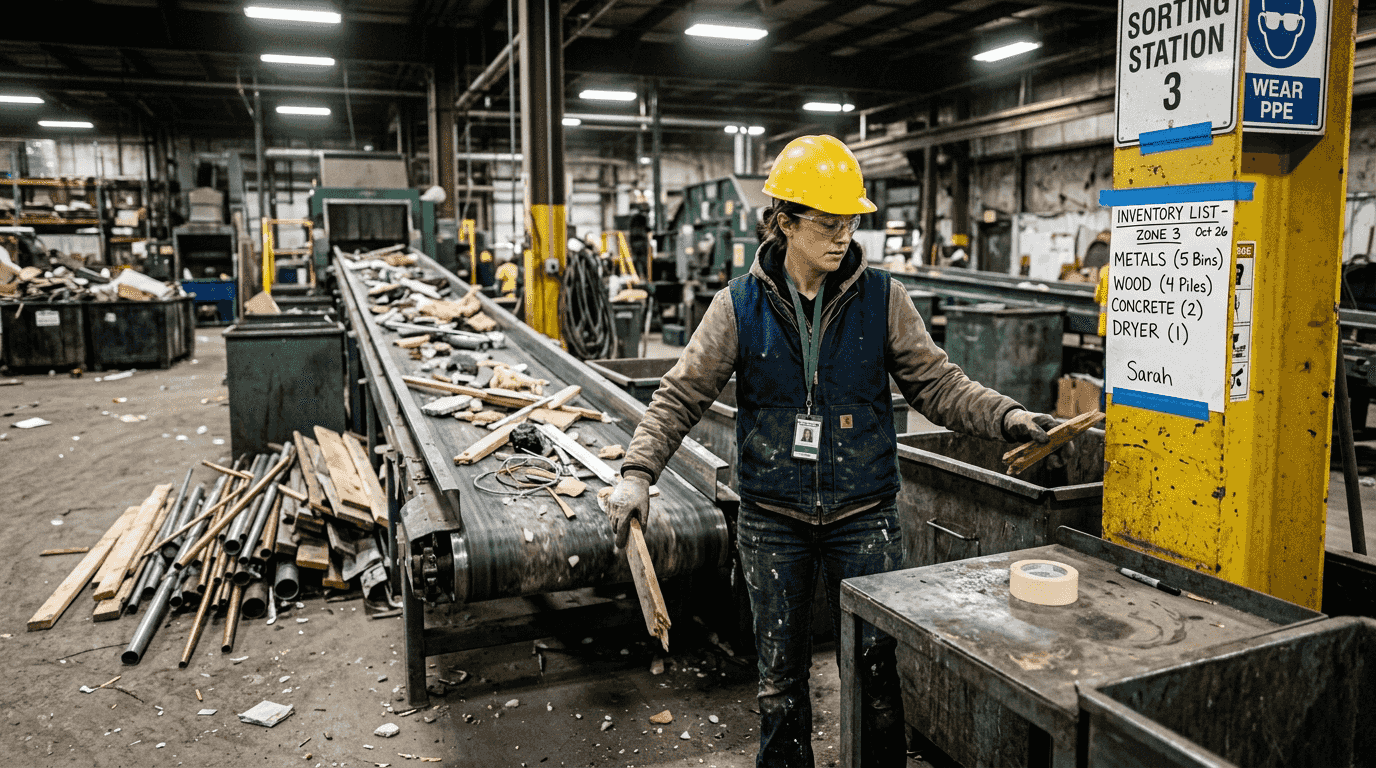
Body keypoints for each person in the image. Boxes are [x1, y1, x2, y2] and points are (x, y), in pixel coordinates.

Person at [608, 135, 1057, 768]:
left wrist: (1007, 416)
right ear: (784, 222)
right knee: (780, 685)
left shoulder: (883, 299)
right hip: (772, 521)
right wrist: (637, 471)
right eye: (826, 222)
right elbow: (681, 393)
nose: (843, 235)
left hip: (864, 517)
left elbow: (938, 384)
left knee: (876, 678)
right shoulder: (739, 305)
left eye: (850, 221)